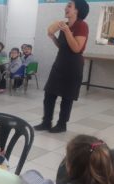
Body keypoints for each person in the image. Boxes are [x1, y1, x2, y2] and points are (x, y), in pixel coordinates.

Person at [34, 0, 89, 133]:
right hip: (60, 63)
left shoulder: (82, 26)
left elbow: (76, 48)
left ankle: (61, 125)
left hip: (73, 65)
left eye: (70, 6)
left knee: (67, 97)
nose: (66, 8)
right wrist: (53, 37)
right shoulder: (65, 25)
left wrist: (66, 30)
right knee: (49, 93)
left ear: (77, 10)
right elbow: (63, 45)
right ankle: (46, 122)